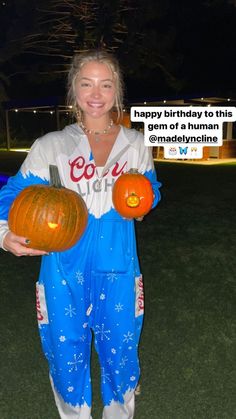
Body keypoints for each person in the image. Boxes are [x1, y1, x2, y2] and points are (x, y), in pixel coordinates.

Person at [0, 49, 161, 419]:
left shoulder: (136, 144)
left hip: (118, 264)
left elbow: (150, 190)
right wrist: (4, 233)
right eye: (86, 83)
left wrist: (144, 200)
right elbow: (12, 194)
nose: (96, 92)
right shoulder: (50, 146)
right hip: (62, 266)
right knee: (65, 347)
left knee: (121, 347)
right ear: (73, 90)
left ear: (117, 90)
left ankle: (120, 411)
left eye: (106, 84)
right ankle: (75, 414)